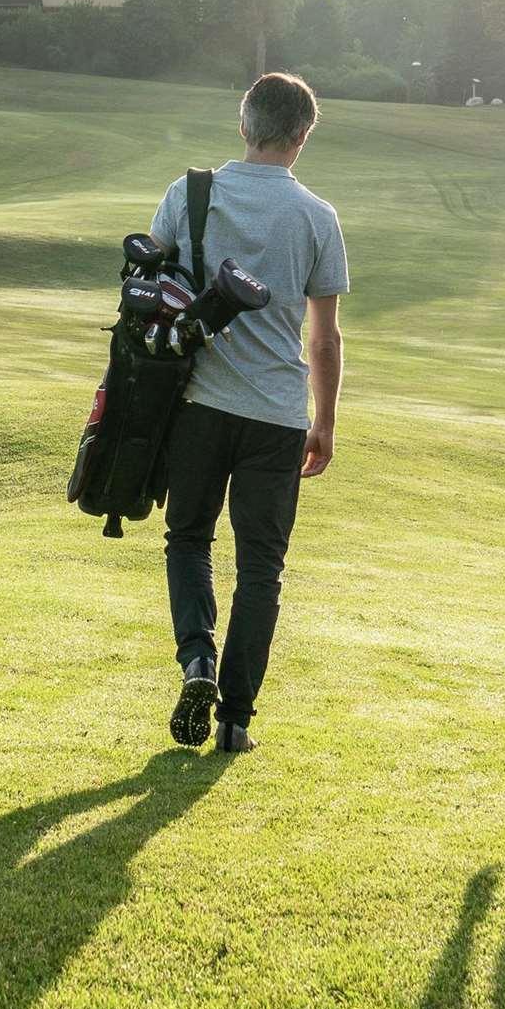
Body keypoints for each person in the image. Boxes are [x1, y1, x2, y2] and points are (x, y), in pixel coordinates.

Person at [156, 72, 349, 757]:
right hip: (277, 413)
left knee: (188, 538)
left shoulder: (188, 194)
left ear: (243, 125)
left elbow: (152, 294)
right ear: (302, 137)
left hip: (198, 405)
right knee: (261, 566)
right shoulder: (316, 216)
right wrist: (324, 419)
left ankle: (196, 661)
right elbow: (323, 337)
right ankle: (236, 719)